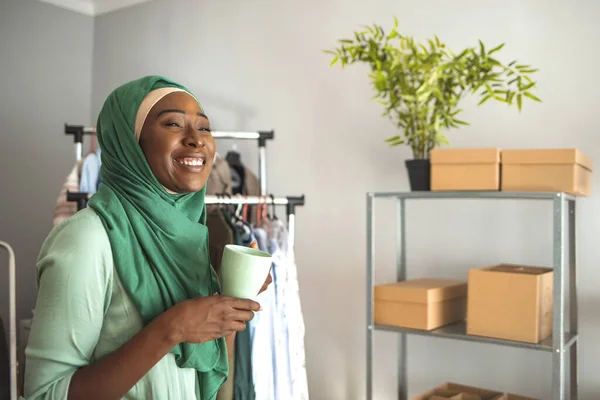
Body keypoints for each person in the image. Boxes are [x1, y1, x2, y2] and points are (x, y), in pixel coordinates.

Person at [22, 76, 271, 400]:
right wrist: (172, 327)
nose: (197, 140)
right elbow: (45, 394)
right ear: (130, 142)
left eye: (205, 128)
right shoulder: (87, 239)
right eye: (173, 124)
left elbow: (200, 383)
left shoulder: (188, 241)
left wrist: (226, 302)